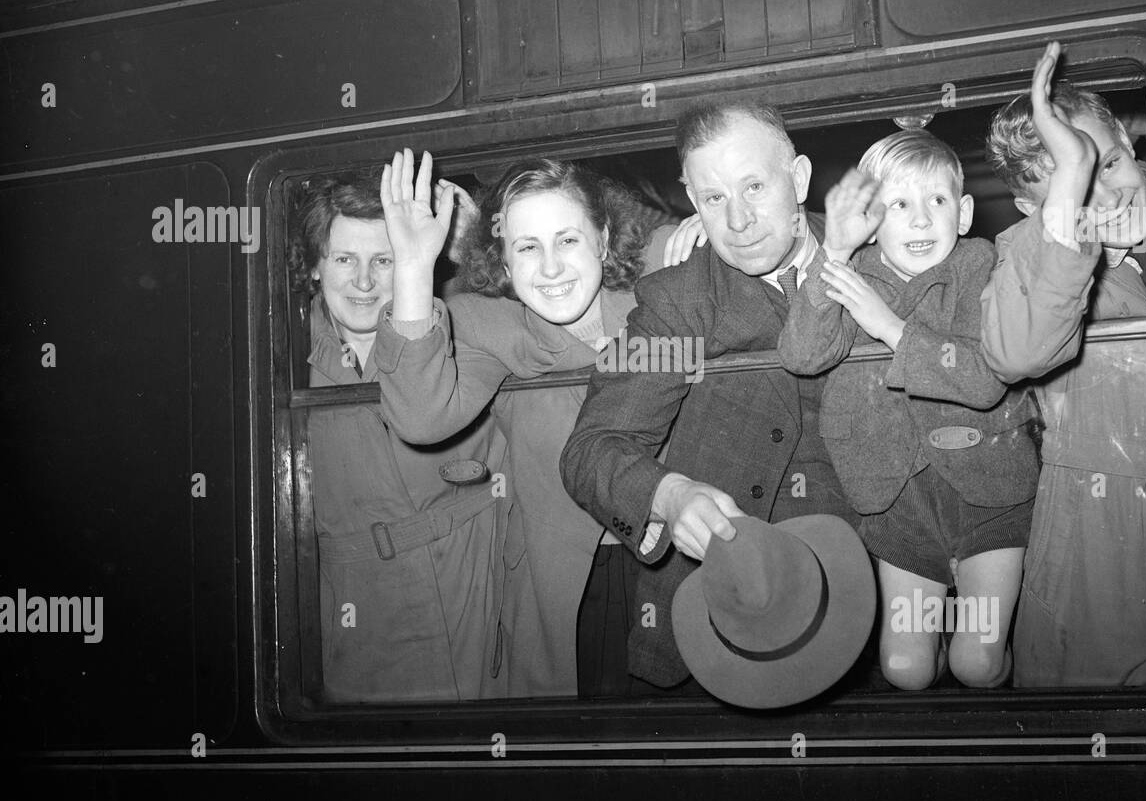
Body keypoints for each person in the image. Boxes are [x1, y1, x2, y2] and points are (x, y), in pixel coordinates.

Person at [560, 102, 866, 695]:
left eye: (754, 186)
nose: (740, 221)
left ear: (798, 179)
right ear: (692, 203)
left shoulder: (879, 260)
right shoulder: (679, 302)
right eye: (715, 198)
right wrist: (669, 497)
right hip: (715, 631)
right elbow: (592, 450)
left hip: (860, 615)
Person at [375, 150, 675, 697]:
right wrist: (415, 268)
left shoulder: (665, 301)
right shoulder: (492, 327)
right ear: (506, 263)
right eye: (528, 248)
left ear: (603, 241)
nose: (552, 267)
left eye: (567, 240)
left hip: (680, 567)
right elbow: (418, 418)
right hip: (569, 593)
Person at [777, 130, 1042, 689]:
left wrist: (891, 329)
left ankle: (1007, 705)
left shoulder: (982, 267)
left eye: (937, 201)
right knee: (906, 671)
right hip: (896, 499)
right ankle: (938, 660)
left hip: (989, 491)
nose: (921, 220)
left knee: (979, 662)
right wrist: (838, 253)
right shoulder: (849, 272)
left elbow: (984, 379)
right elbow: (802, 356)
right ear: (871, 218)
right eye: (899, 204)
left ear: (964, 212)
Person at [981, 41, 1146, 689]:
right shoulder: (1028, 252)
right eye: (1077, 183)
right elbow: (1015, 353)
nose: (1106, 195)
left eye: (1111, 162)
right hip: (1099, 544)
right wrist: (1069, 185)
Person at [290, 171, 513, 703]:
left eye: (384, 260)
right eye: (344, 259)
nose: (364, 282)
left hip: (475, 594)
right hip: (366, 620)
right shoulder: (279, 361)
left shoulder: (464, 325)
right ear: (316, 265)